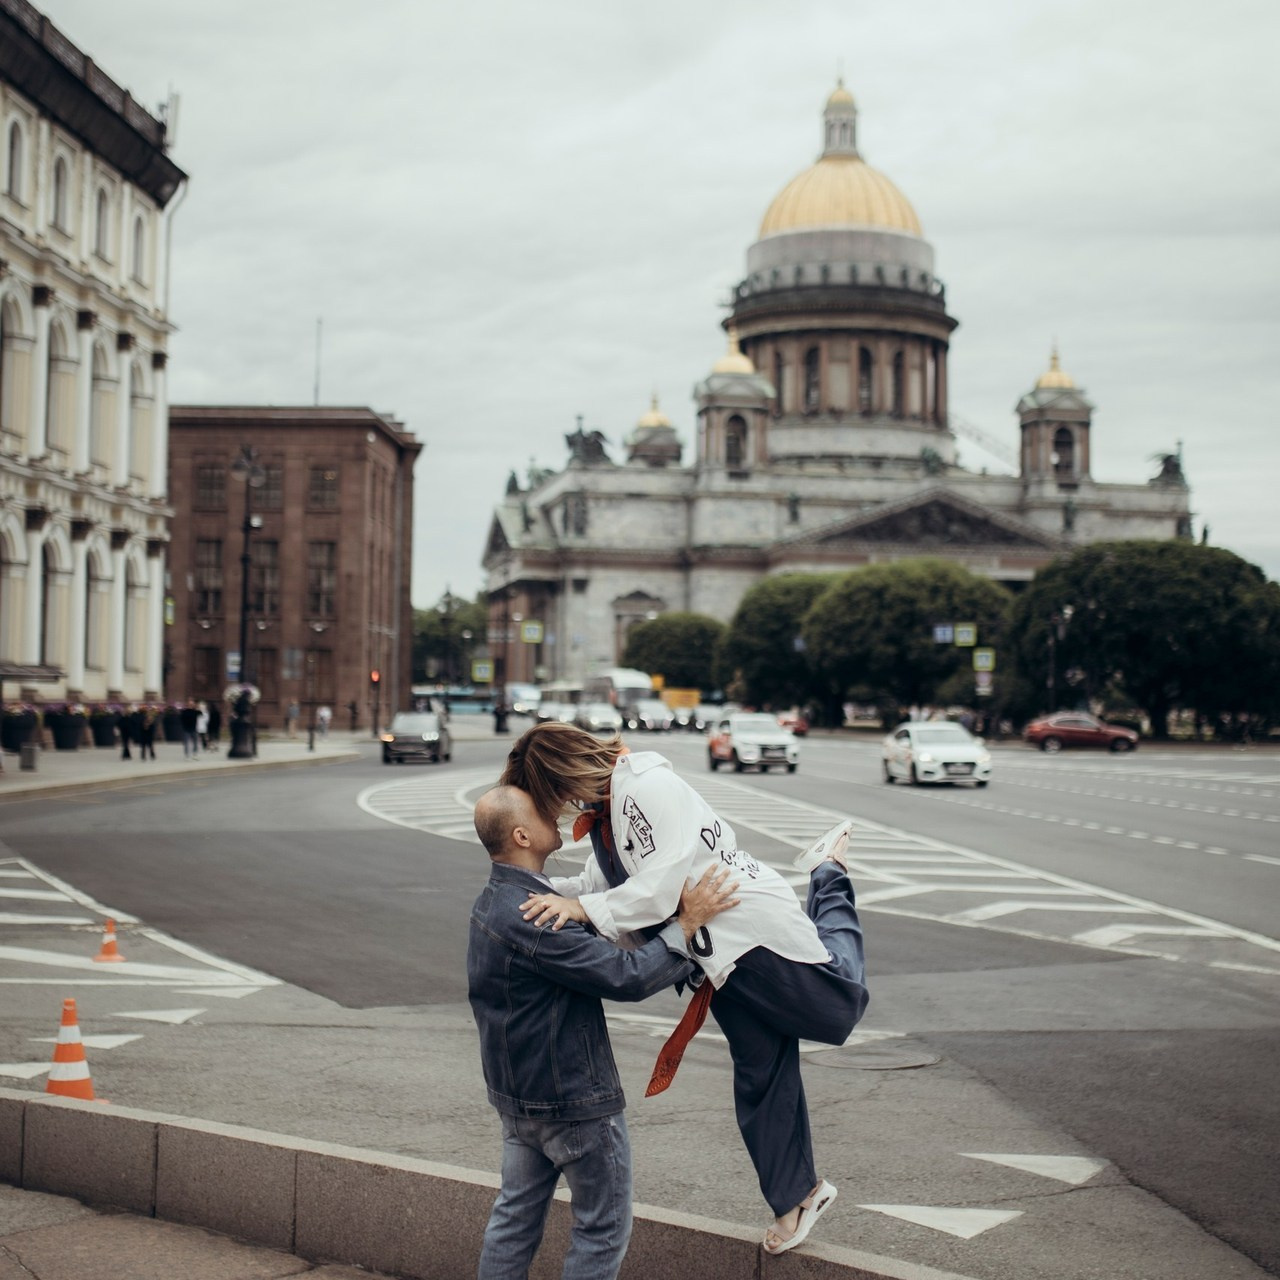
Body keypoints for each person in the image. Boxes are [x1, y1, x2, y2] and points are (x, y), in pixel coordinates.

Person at [506, 722, 868, 1256]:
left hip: (751, 932)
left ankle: (828, 873)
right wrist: (525, 889)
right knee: (761, 1067)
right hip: (715, 953)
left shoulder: (646, 787)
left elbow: (658, 889)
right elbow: (599, 886)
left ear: (563, 774)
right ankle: (799, 1195)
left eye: (549, 793)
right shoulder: (607, 812)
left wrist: (579, 908)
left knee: (841, 1008)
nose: (554, 808)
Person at [470, 783, 739, 1280]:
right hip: (573, 1102)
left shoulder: (493, 902)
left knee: (514, 1221)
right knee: (602, 1228)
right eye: (542, 810)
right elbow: (626, 976)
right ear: (522, 836)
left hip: (517, 1100)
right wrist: (686, 927)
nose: (555, 811)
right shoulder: (535, 915)